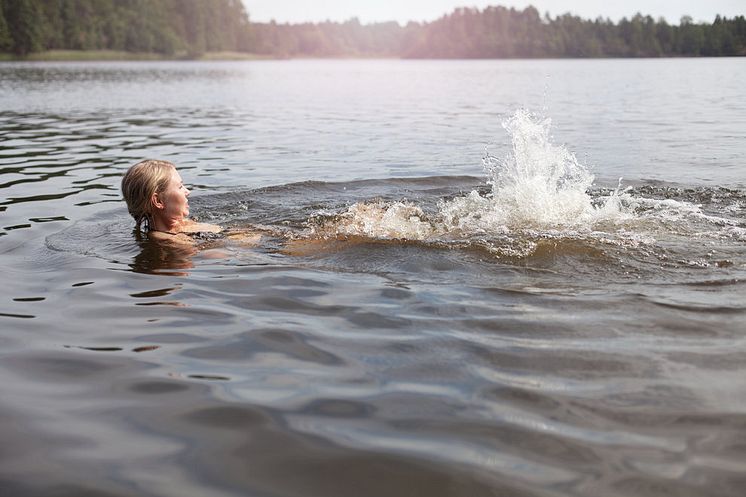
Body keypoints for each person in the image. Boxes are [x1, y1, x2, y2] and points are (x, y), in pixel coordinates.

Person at [121, 159, 226, 244]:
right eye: (180, 187)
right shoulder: (172, 241)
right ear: (158, 201)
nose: (188, 192)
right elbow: (217, 255)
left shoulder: (181, 224)